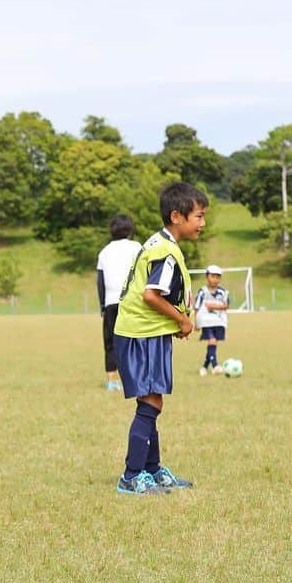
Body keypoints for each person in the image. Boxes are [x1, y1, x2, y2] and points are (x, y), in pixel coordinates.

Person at [113, 182, 208, 495]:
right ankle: (131, 476)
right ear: (177, 216)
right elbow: (151, 295)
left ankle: (151, 470)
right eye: (199, 216)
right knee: (151, 401)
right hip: (141, 333)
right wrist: (181, 319)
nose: (202, 223)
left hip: (145, 331)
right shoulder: (165, 250)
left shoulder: (161, 242)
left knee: (153, 400)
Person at [96, 214, 142, 391]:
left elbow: (100, 281)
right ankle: (134, 378)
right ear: (130, 229)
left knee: (111, 342)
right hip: (132, 301)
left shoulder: (105, 251)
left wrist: (102, 305)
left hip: (111, 302)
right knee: (134, 341)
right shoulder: (136, 247)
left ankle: (111, 380)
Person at [193, 264, 230, 376]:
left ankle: (204, 367)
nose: (215, 279)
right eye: (213, 276)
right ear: (207, 276)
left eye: (218, 277)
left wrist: (214, 306)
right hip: (206, 321)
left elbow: (226, 305)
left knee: (213, 343)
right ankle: (215, 365)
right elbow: (196, 307)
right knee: (212, 340)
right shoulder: (202, 292)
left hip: (219, 321)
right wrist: (196, 323)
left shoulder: (223, 292)